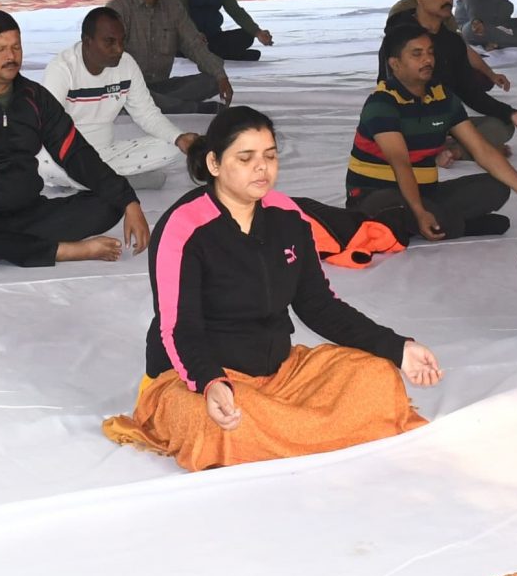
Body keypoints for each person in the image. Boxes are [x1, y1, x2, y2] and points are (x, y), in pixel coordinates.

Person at [101, 107, 439, 471]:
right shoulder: (183, 227)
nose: (261, 168)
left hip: (282, 373)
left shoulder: (288, 216)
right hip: (198, 379)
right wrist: (210, 382)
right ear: (214, 163)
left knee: (377, 378)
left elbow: (320, 306)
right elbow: (179, 328)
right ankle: (303, 430)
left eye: (270, 156)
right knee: (217, 424)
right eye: (245, 158)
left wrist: (397, 347)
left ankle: (284, 431)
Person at [0, 10, 148, 274]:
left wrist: (128, 201)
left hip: (27, 212)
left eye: (16, 47)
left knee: (108, 203)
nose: (11, 57)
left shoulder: (35, 97)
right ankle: (65, 251)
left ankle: (3, 249)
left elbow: (76, 153)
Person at [348, 20, 517, 242]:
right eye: (417, 54)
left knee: (497, 187)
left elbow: (482, 151)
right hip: (375, 195)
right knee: (389, 208)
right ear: (395, 64)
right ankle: (455, 225)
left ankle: (430, 222)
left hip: (426, 193)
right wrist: (419, 212)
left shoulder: (442, 97)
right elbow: (400, 163)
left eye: (430, 52)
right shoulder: (382, 103)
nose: (427, 60)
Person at [40, 6, 196, 189]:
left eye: (122, 41)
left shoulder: (127, 65)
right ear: (87, 41)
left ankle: (94, 183)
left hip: (107, 153)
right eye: (110, 42)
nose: (119, 49)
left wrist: (179, 138)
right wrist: (76, 159)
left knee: (174, 147)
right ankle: (113, 182)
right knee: (42, 163)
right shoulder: (62, 68)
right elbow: (49, 126)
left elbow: (147, 114)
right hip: (67, 154)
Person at [397, 0, 517, 148]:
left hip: (442, 119)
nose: (447, 0)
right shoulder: (400, 34)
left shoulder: (451, 41)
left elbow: (470, 92)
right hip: (407, 119)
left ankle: (453, 150)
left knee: (503, 125)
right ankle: (448, 146)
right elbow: (389, 84)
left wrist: (512, 113)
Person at [112, 0, 232, 116]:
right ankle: (193, 108)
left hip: (162, 86)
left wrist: (221, 76)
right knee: (126, 95)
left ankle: (160, 104)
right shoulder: (118, 9)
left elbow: (194, 44)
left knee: (212, 80)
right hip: (128, 87)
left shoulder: (172, 6)